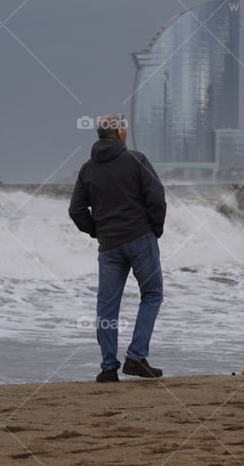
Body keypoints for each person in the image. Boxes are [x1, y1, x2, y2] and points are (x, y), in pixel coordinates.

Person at [69, 114, 167, 382]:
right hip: (139, 238)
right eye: (124, 127)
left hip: (109, 246)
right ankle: (136, 357)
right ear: (120, 133)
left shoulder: (88, 168)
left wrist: (97, 230)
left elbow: (76, 210)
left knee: (107, 306)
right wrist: (154, 230)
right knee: (152, 294)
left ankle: (108, 367)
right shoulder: (136, 159)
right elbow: (156, 197)